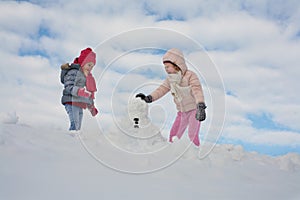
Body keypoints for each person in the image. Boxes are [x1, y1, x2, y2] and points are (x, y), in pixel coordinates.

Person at [136, 48, 206, 146]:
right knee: (174, 135)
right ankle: (171, 153)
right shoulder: (170, 80)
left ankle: (195, 156)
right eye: (165, 67)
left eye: (168, 66)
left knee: (192, 134)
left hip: (195, 110)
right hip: (181, 113)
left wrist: (200, 105)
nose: (166, 69)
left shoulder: (190, 76)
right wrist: (149, 98)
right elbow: (161, 90)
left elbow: (197, 90)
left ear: (177, 65)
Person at [60, 47, 98, 132]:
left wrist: (92, 108)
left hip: (79, 103)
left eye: (92, 66)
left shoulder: (87, 77)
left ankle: (74, 141)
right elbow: (68, 87)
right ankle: (69, 140)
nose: (90, 68)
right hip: (70, 101)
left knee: (78, 127)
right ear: (83, 62)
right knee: (75, 124)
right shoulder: (74, 72)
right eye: (89, 65)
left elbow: (88, 95)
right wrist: (79, 91)